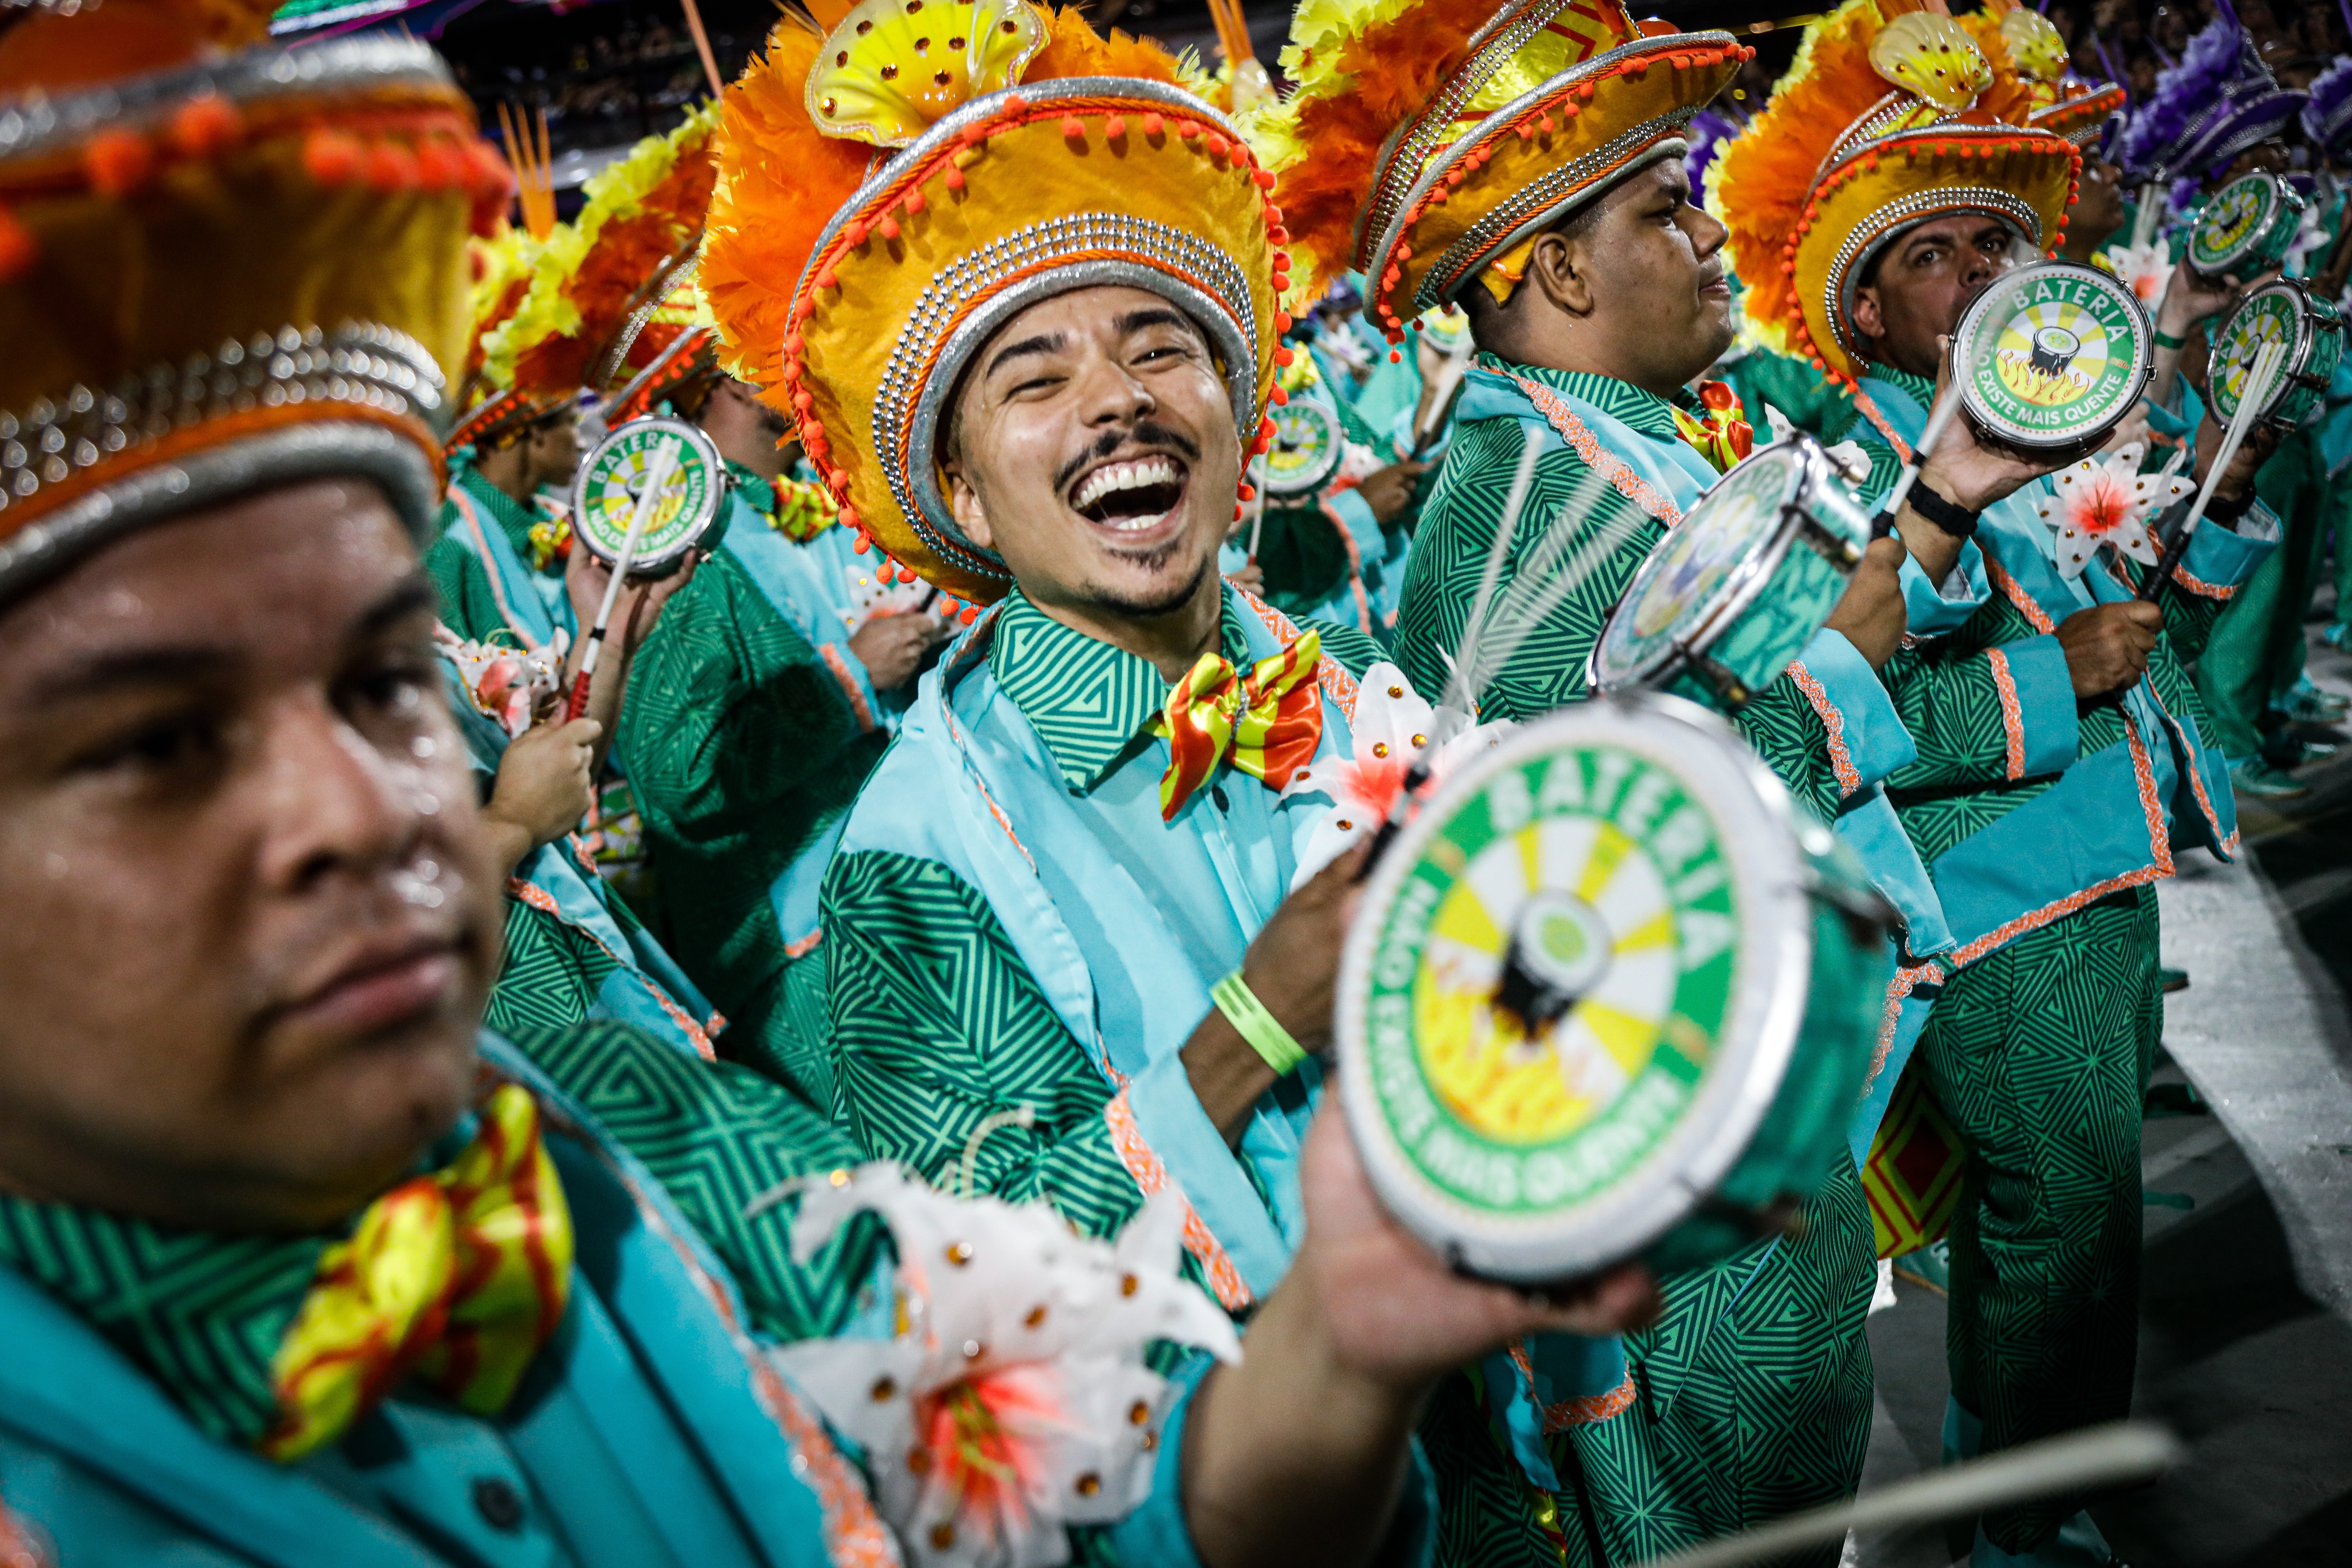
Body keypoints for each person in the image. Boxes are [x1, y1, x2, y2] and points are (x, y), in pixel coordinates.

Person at [0, 7, 1654, 1563]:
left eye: (383, 685)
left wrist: (1353, 1346)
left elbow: (1088, 1479)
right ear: (950, 480)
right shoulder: (923, 851)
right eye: (156, 743)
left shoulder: (608, 1122)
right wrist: (1262, 1026)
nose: (372, 813)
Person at [1277, 4, 1936, 1562]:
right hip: (1689, 1216)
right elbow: (1605, 882)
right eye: (1665, 211)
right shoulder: (1536, 511)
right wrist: (1840, 665)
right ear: (1561, 273)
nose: (1711, 240)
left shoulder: (1595, 458)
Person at [1717, 6, 2284, 1560]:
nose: (1981, 275)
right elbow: (1838, 704)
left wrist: (2217, 489)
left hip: (2101, 861)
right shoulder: (1849, 471)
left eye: (1995, 239)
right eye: (1935, 255)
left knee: (2067, 1211)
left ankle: (2022, 1471)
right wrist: (2061, 676)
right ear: (1869, 315)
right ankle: (2026, 1527)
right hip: (1992, 882)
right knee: (2060, 1206)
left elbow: (2169, 610)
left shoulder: (2055, 421)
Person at [614, 330, 954, 1105]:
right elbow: (678, 774)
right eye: (784, 350)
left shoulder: (771, 512)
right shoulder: (686, 527)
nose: (814, 369)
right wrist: (853, 678)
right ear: (729, 380)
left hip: (874, 908)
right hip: (796, 954)